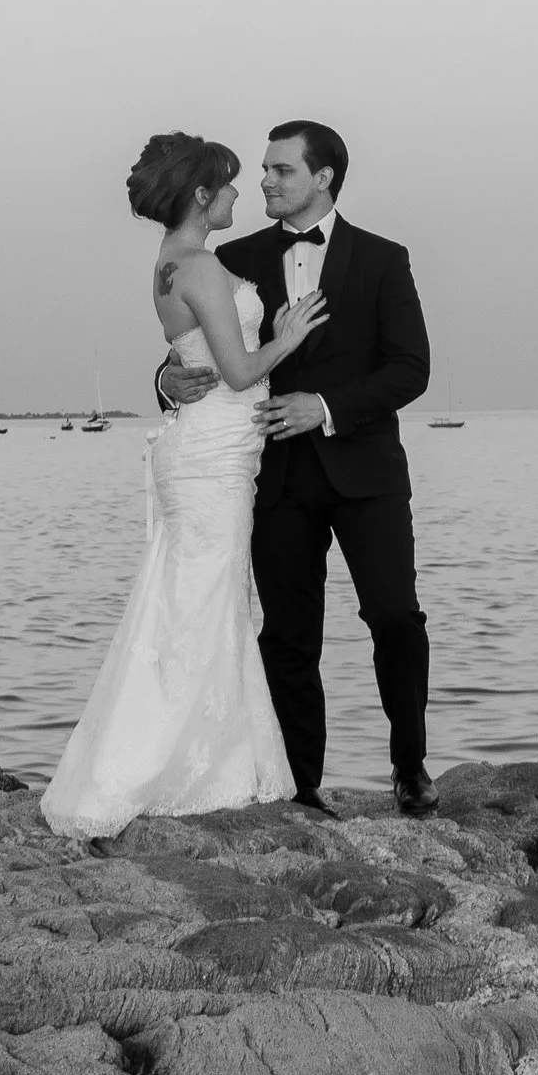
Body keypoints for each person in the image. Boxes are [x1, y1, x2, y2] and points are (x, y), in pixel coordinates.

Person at [39, 132, 325, 840]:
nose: (238, 193)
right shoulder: (196, 265)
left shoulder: (169, 262)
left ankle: (216, 764)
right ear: (202, 194)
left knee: (197, 606)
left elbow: (185, 358)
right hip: (213, 458)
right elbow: (236, 370)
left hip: (207, 450)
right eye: (227, 184)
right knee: (204, 608)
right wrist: (286, 338)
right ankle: (167, 770)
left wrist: (172, 377)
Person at [157, 117, 436, 818]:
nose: (264, 182)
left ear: (323, 178)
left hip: (365, 470)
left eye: (281, 170)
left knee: (396, 616)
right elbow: (194, 341)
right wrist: (165, 378)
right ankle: (299, 784)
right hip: (270, 474)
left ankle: (410, 767)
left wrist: (329, 405)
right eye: (263, 170)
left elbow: (412, 368)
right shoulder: (235, 255)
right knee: (287, 634)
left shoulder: (382, 258)